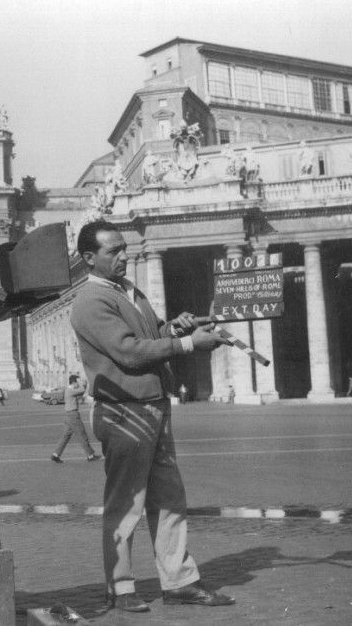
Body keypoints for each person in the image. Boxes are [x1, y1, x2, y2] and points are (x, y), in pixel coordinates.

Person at [70, 219, 235, 612]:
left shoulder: (130, 291)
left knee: (169, 498)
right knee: (125, 503)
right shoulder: (91, 301)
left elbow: (153, 335)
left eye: (124, 248)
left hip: (153, 405)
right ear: (89, 258)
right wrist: (187, 344)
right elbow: (130, 352)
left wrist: (176, 327)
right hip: (123, 411)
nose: (124, 256)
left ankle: (179, 581)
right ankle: (120, 587)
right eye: (113, 251)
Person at [51, 374, 100, 463]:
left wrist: (82, 384)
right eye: (77, 382)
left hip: (68, 415)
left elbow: (80, 393)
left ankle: (56, 454)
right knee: (82, 434)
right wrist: (84, 383)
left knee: (65, 436)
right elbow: (81, 391)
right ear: (74, 382)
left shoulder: (69, 390)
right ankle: (90, 455)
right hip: (73, 415)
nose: (78, 383)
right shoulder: (70, 390)